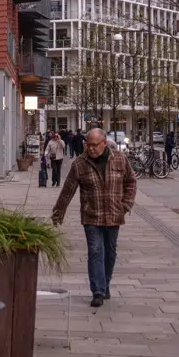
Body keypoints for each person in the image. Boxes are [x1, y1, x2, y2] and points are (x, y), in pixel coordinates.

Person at [52, 128, 136, 307]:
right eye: (87, 145)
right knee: (96, 251)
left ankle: (105, 283)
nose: (90, 148)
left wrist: (126, 204)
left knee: (110, 252)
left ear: (104, 144)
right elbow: (68, 190)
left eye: (94, 145)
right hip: (91, 216)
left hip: (114, 215)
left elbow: (131, 182)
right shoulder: (80, 164)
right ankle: (97, 291)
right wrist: (58, 213)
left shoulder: (120, 159)